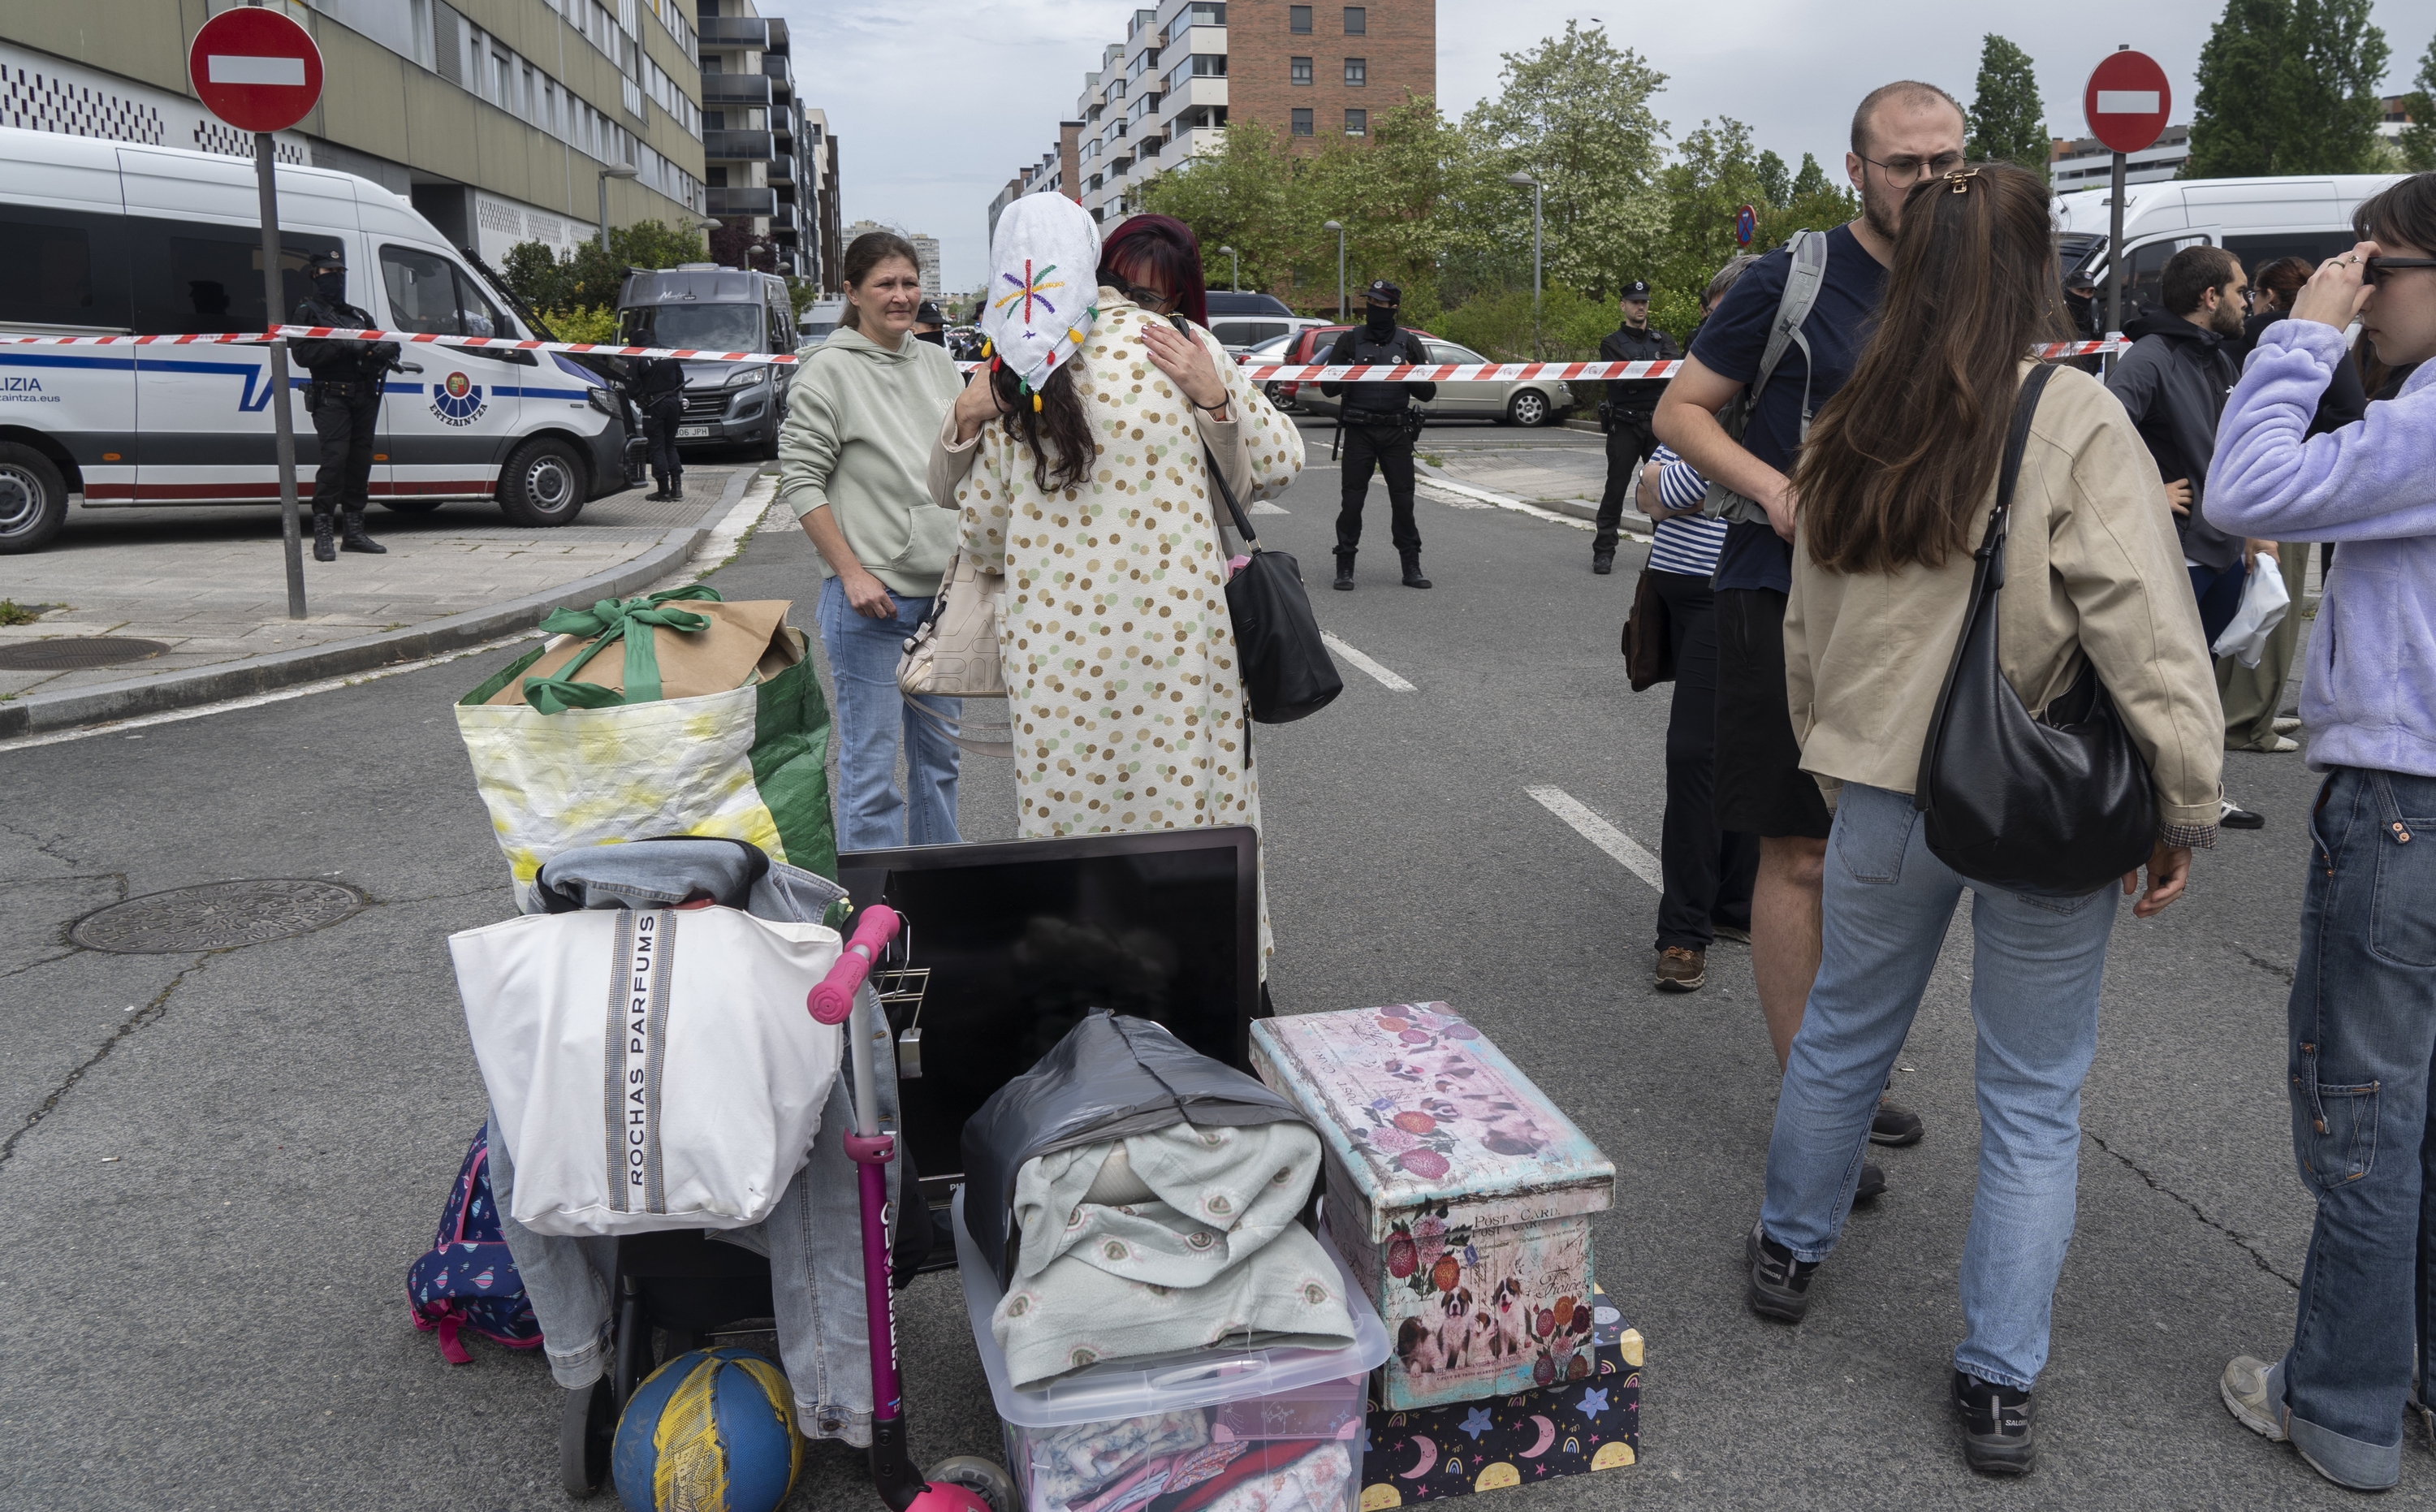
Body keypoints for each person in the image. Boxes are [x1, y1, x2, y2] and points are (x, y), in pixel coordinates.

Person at [1747, 163, 2222, 1477]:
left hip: (1880, 791)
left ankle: (1788, 1249)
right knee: (2031, 1095)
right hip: (2033, 800)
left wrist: (1831, 759)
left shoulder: (1849, 416)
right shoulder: (2067, 416)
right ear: (2033, 277)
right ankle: (1998, 1380)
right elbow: (2143, 622)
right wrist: (2185, 794)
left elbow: (1807, 624)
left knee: (1843, 1029)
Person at [1653, 80, 1960, 1160]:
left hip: (1917, 609)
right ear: (1858, 171)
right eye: (1904, 164)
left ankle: (1851, 1069)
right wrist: (1772, 486)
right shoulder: (1794, 279)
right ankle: (1818, 1107)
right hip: (1780, 601)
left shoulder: (1970, 286)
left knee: (1888, 859)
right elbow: (1678, 410)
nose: (1926, 183)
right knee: (1802, 856)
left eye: (1943, 163)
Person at [2208, 177, 2436, 1496]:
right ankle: (2408, 1378)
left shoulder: (2425, 423)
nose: (2361, 284)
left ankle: (2342, 1402)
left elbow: (2248, 486)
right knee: (2420, 1112)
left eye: (2381, 263)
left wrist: (2301, 331)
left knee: (2364, 1112)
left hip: (2404, 802)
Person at [929, 200, 1304, 975]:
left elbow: (985, 536)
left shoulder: (1013, 372)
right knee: (1189, 815)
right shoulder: (1182, 345)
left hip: (1058, 661)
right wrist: (1215, 402)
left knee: (1071, 828)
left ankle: (1089, 992)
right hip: (1178, 649)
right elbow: (1276, 465)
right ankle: (1208, 984)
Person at [777, 230, 966, 853]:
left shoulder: (938, 362)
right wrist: (853, 574)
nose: (901, 295)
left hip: (943, 605)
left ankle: (939, 898)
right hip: (872, 606)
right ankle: (873, 921)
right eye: (885, 284)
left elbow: (964, 463)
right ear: (853, 293)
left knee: (940, 767)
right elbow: (801, 481)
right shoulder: (827, 372)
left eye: (910, 283)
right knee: (872, 776)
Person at [2106, 245, 2278, 826]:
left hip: (2223, 548)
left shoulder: (2219, 358)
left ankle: (2196, 795)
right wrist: (2148, 491)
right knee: (2167, 687)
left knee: (2200, 683)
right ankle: (2151, 803)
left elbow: (2227, 454)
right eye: (2240, 292)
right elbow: (2097, 438)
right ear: (2210, 299)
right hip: (2178, 554)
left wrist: (2254, 528)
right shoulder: (2150, 358)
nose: (2247, 303)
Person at [1633, 256, 1757, 994]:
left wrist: (1667, 480)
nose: (1713, 324)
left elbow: (1678, 479)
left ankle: (1685, 932)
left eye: (1724, 310)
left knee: (1697, 755)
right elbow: (1649, 483)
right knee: (1727, 743)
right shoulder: (1702, 375)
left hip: (1725, 587)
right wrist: (1664, 481)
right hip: (1677, 584)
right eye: (1710, 309)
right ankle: (1732, 902)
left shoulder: (1760, 386)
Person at [2216, 257, 2368, 756]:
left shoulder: (2253, 339)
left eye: (2250, 292)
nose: (2246, 304)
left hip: (2245, 482)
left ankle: (2245, 715)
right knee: (2271, 609)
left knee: (2253, 605)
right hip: (2280, 482)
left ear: (2267, 293)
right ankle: (2248, 721)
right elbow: (2348, 407)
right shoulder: (2307, 341)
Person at [1320, 279, 1436, 590]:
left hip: (1397, 432)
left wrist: (1412, 371)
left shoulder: (1408, 342)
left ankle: (1411, 565)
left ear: (1393, 308)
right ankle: (1345, 565)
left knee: (1403, 502)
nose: (1373, 309)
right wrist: (1344, 368)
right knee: (1352, 502)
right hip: (1360, 431)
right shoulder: (1349, 340)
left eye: (1380, 304)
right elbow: (1328, 388)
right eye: (1370, 302)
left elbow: (1427, 393)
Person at [289, 252, 400, 561]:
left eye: (340, 271)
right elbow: (303, 356)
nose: (335, 277)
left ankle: (354, 531)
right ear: (315, 274)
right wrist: (340, 344)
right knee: (335, 461)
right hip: (331, 397)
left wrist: (386, 348)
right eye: (329, 270)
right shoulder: (306, 313)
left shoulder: (358, 315)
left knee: (360, 462)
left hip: (364, 395)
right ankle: (323, 532)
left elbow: (385, 342)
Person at [1592, 279, 1682, 575]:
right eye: (1634, 302)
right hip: (1626, 424)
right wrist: (1651, 373)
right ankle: (1604, 552)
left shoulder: (1663, 340)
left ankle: (1666, 553)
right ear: (1623, 306)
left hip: (1658, 425)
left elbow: (1672, 375)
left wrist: (1641, 372)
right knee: (1615, 489)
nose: (1640, 306)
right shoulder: (1612, 343)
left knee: (1662, 489)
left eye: (1644, 301)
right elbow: (1620, 380)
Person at [630, 354, 685, 502]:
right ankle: (677, 487)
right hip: (673, 402)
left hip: (655, 404)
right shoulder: (668, 354)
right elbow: (681, 378)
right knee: (670, 444)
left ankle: (664, 491)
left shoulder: (638, 355)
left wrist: (638, 397)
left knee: (656, 446)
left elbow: (632, 381)